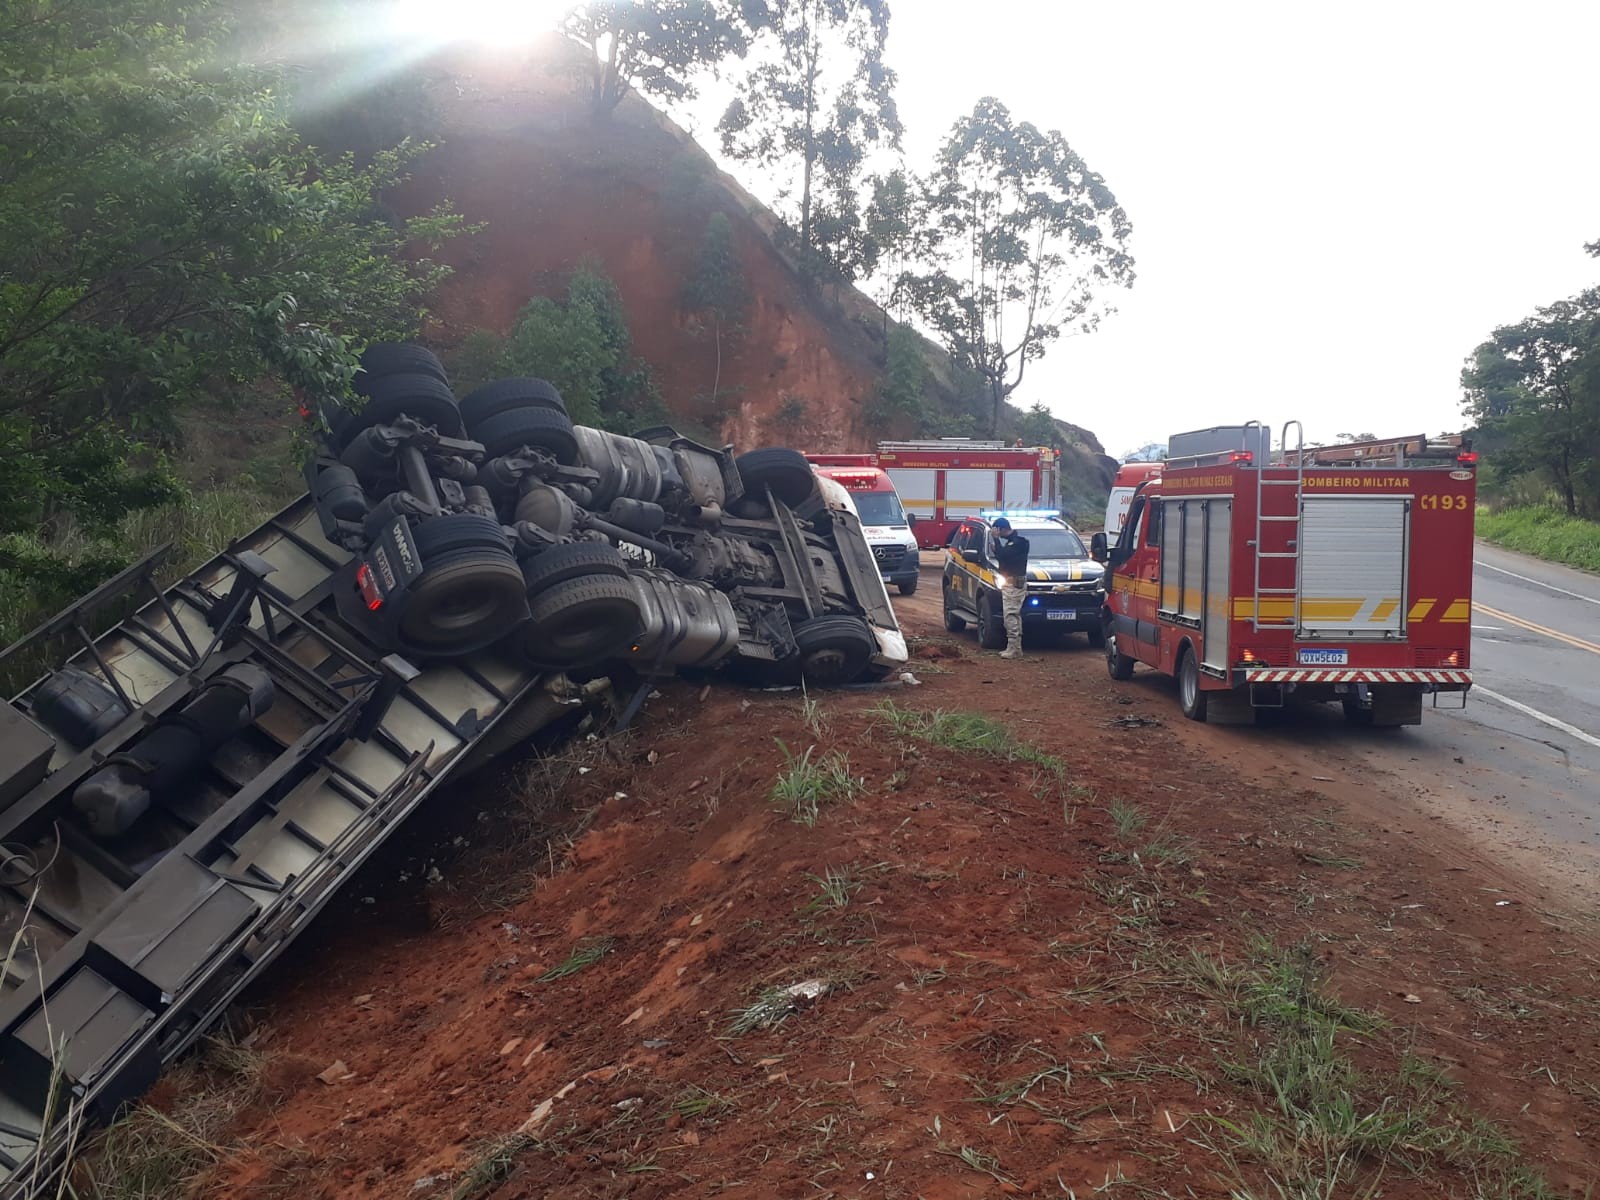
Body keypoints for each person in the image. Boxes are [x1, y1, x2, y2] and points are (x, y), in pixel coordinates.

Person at [989, 517, 1030, 659]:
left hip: (1014, 585)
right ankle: (1014, 647)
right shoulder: (1013, 543)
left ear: (1001, 529)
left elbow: (1003, 555)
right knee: (1013, 616)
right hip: (1012, 584)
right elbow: (1003, 557)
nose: (995, 533)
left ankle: (1015, 649)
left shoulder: (1018, 543)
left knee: (1010, 616)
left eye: (996, 530)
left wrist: (996, 541)